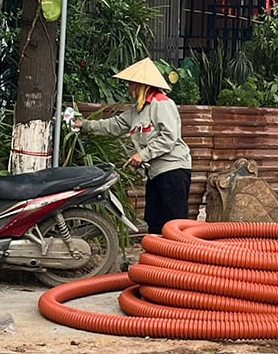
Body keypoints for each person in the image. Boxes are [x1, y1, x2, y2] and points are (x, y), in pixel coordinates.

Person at [73, 58, 193, 235]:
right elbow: (113, 125)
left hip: (173, 170)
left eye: (131, 84)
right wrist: (83, 125)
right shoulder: (137, 110)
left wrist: (142, 155)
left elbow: (169, 137)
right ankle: (156, 259)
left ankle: (178, 260)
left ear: (140, 85)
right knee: (154, 220)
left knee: (174, 222)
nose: (129, 88)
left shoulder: (162, 104)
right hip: (155, 172)